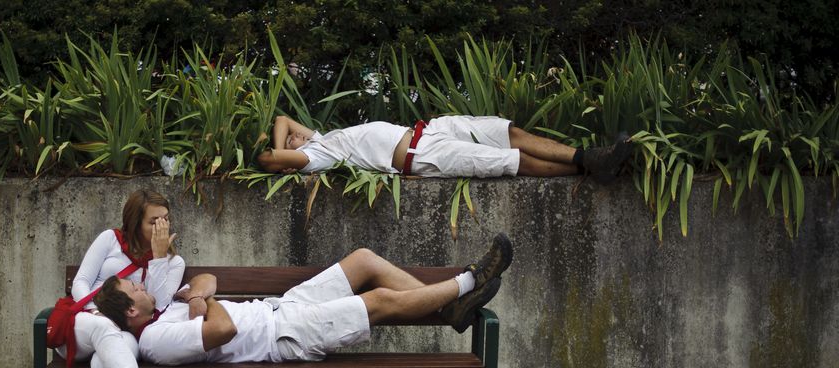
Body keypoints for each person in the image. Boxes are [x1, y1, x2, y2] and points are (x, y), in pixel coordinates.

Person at [93, 234, 513, 368]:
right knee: (379, 300)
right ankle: (469, 280)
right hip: (286, 336)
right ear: (132, 311)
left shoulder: (163, 307)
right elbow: (223, 330)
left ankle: (450, 308)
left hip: (283, 306)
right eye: (136, 290)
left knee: (363, 261)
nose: (143, 286)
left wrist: (201, 293)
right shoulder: (155, 341)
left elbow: (206, 278)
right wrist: (207, 306)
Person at [61, 190, 185, 368]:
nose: (161, 227)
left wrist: (157, 259)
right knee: (105, 330)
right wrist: (96, 312)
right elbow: (81, 281)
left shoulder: (173, 263)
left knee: (104, 364)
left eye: (165, 220)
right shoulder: (110, 240)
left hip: (126, 333)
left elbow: (157, 305)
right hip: (85, 322)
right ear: (135, 223)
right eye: (153, 221)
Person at [256, 115, 633, 183]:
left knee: (506, 132)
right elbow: (269, 158)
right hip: (423, 157)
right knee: (509, 162)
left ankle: (590, 157)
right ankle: (590, 167)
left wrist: (294, 138)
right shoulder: (317, 156)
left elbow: (283, 117)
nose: (294, 137)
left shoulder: (321, 137)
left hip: (429, 131)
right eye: (292, 143)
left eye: (296, 137)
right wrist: (285, 158)